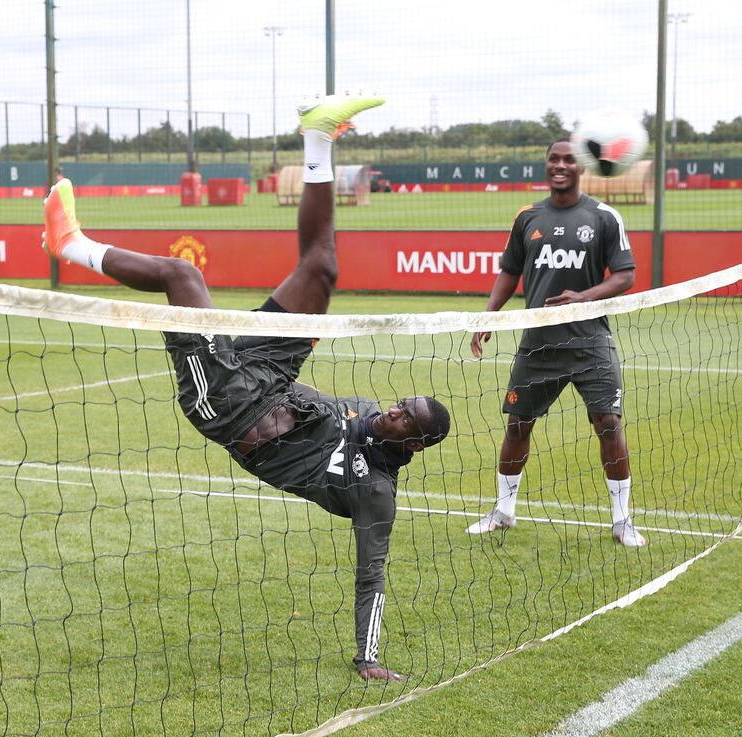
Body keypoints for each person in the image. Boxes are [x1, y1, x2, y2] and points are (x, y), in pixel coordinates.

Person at [42, 94, 452, 681]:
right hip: (267, 377)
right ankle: (318, 139)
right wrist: (297, 344)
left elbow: (372, 576)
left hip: (231, 409)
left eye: (405, 417)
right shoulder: (363, 412)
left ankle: (69, 245)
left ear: (413, 444)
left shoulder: (376, 494)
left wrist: (369, 658)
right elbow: (324, 407)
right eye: (401, 402)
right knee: (322, 271)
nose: (393, 410)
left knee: (181, 276)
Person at [467, 136, 647, 548]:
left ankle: (622, 521)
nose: (560, 165)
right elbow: (509, 271)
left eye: (568, 159)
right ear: (546, 165)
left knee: (608, 424)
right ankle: (503, 510)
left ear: (581, 166)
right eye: (554, 158)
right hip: (539, 344)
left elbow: (625, 275)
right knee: (517, 424)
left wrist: (581, 299)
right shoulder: (527, 217)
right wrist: (489, 314)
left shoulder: (603, 217)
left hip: (590, 342)